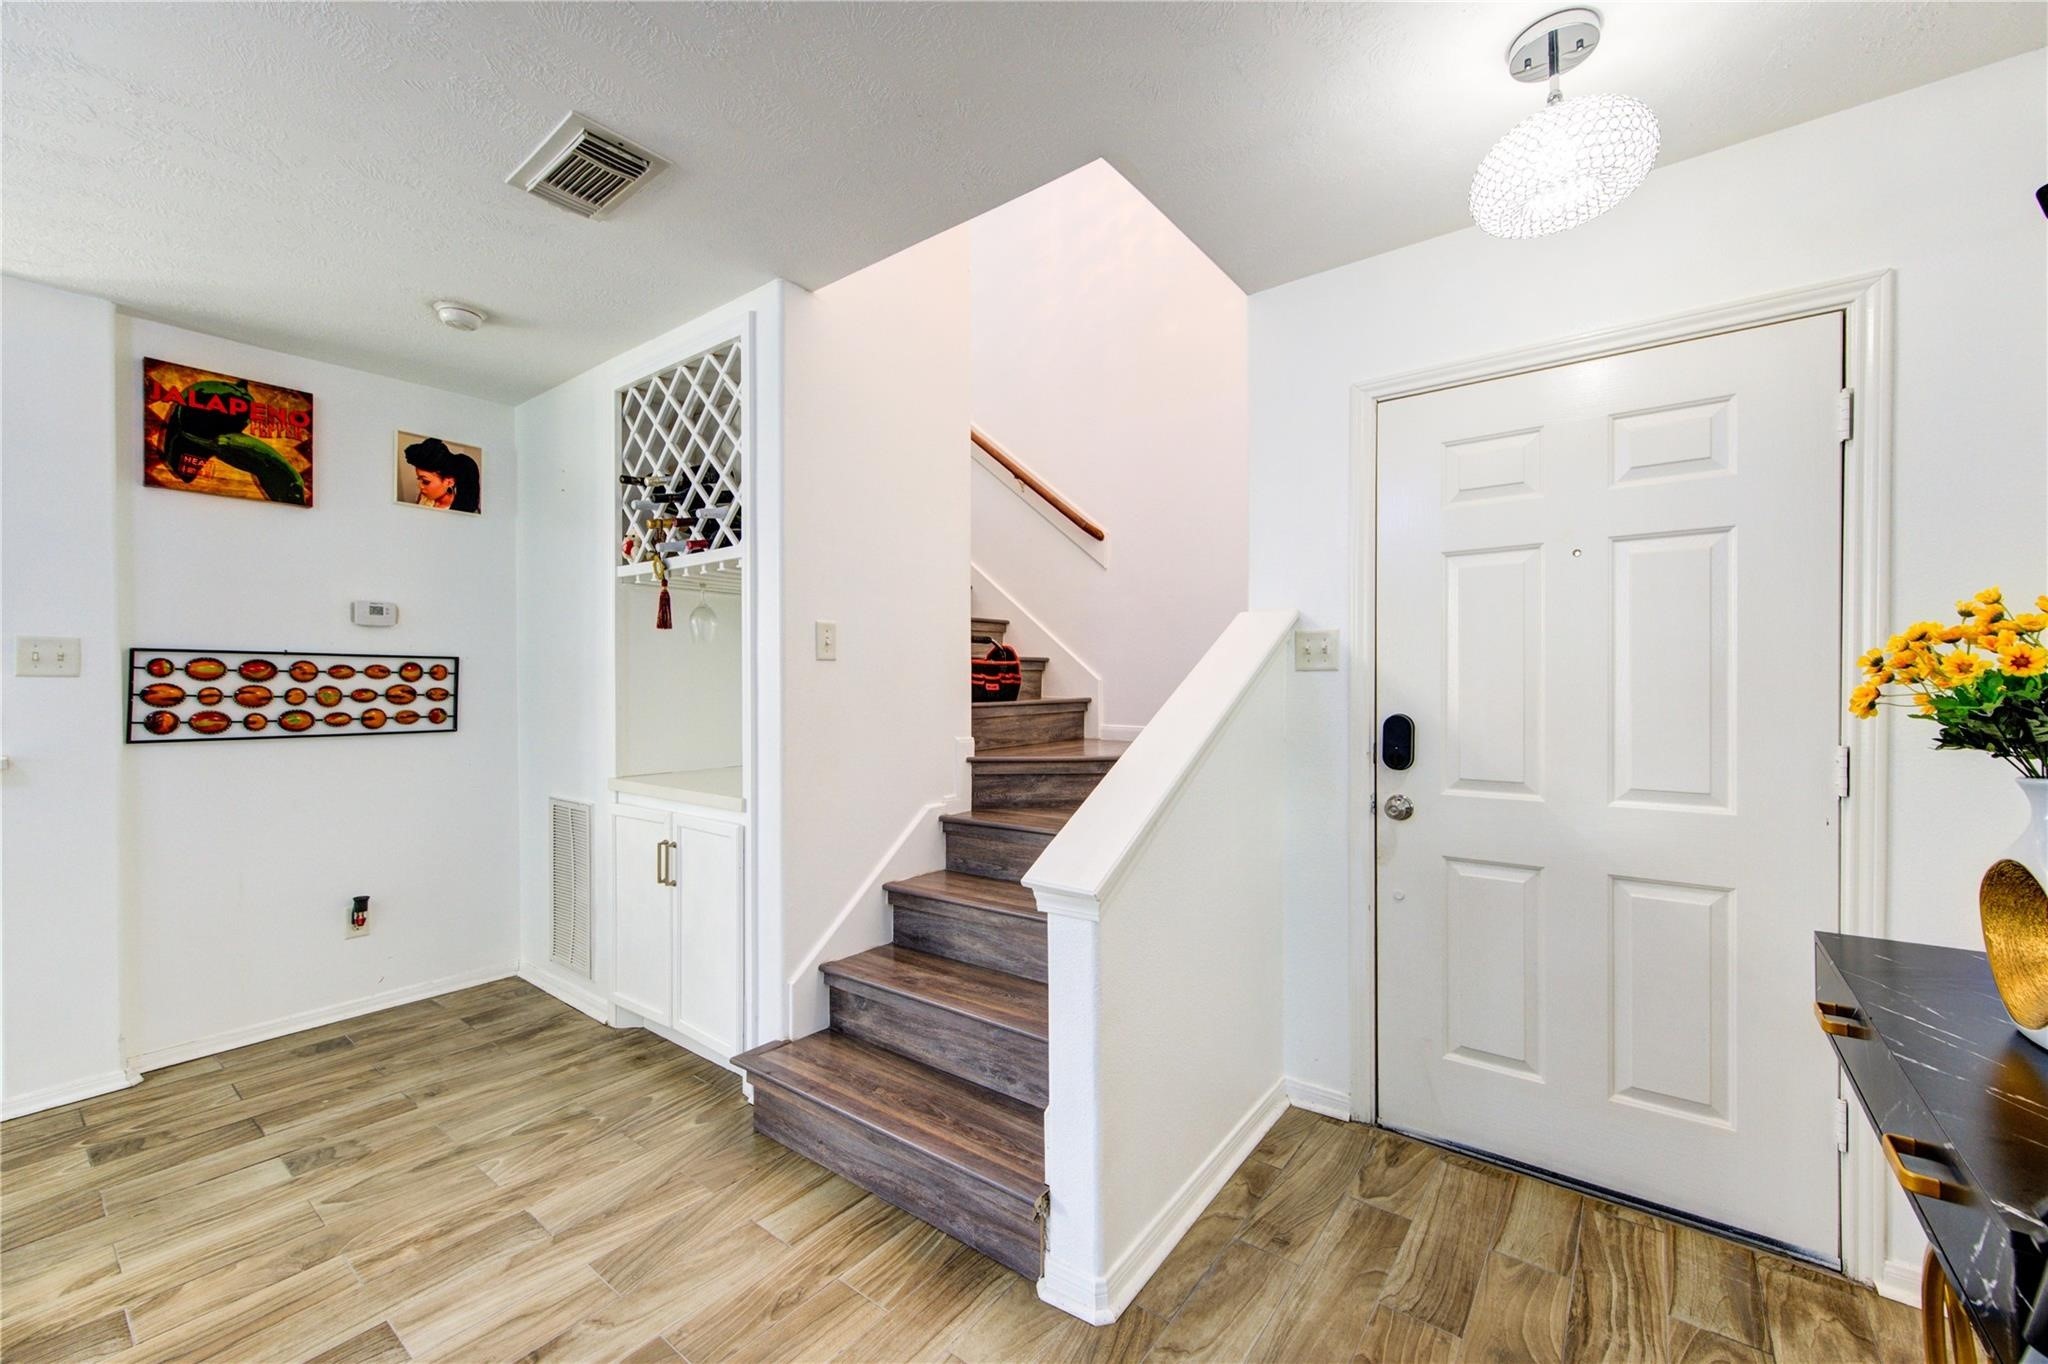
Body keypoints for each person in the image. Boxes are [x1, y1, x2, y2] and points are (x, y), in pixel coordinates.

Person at [404, 437, 480, 513]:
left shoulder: (461, 514)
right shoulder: (423, 497)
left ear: (449, 482)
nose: (420, 486)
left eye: (425, 481)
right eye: (419, 479)